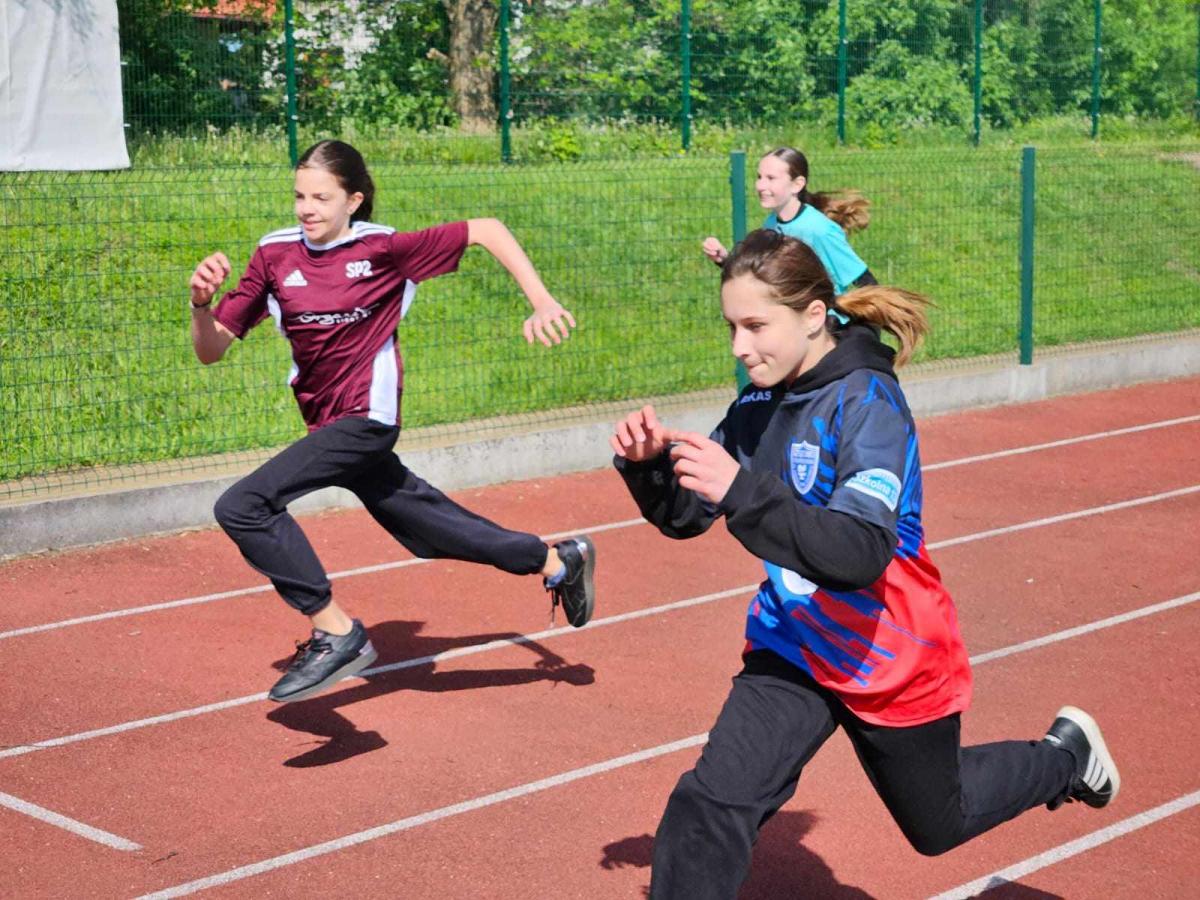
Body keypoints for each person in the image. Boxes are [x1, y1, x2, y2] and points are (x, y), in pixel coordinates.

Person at [611, 229, 1119, 899]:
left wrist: (742, 491)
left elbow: (858, 552)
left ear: (813, 316)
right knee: (711, 802)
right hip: (795, 642)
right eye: (731, 326)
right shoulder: (757, 403)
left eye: (755, 326)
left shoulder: (869, 403)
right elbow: (687, 515)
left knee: (938, 822)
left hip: (888, 653)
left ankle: (1064, 759)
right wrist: (649, 469)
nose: (738, 345)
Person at [188, 139, 596, 704]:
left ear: (353, 200)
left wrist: (541, 300)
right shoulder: (274, 255)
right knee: (429, 527)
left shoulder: (384, 249)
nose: (307, 209)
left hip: (367, 419)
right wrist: (200, 305)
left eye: (322, 198)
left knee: (243, 506)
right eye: (300, 196)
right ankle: (556, 561)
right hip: (324, 421)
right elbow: (210, 351)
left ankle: (336, 631)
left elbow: (487, 229)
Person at [702, 146, 878, 294]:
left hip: (826, 322)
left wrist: (867, 324)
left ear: (797, 184)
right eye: (759, 177)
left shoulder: (818, 230)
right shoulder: (771, 224)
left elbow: (866, 283)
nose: (760, 186)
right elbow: (761, 276)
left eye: (771, 178)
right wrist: (724, 259)